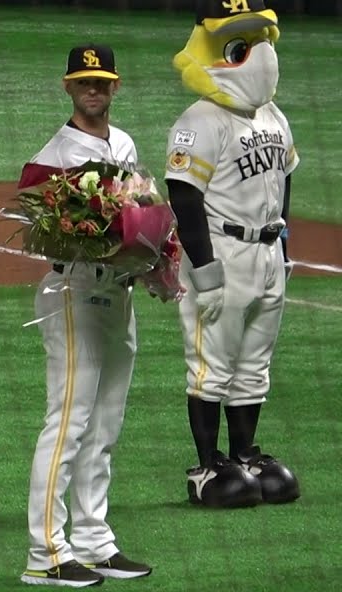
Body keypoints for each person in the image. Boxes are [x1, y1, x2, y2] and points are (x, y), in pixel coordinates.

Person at [19, 45, 153, 588]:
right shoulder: (52, 156)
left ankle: (95, 540)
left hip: (118, 294)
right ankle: (46, 552)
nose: (92, 89)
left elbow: (142, 211)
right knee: (69, 423)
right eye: (83, 81)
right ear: (68, 87)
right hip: (73, 292)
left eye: (101, 81)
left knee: (105, 424)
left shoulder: (125, 143)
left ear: (115, 86)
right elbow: (36, 232)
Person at [165, 0, 301, 508]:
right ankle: (207, 466)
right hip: (222, 250)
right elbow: (184, 197)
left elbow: (285, 177)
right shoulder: (199, 120)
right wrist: (204, 271)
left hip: (266, 252)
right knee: (212, 365)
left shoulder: (273, 115)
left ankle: (245, 454)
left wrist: (283, 245)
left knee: (254, 364)